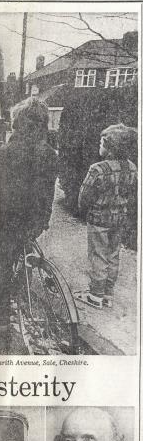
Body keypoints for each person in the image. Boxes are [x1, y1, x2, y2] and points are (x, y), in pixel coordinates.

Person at [0, 97, 59, 350]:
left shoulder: (4, 153)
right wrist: (41, 221)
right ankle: (23, 290)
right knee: (24, 256)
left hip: (8, 223)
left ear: (17, 123)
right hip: (34, 222)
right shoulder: (49, 154)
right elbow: (48, 192)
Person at [75, 124, 137, 309]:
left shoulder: (97, 169)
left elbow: (84, 195)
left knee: (98, 254)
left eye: (101, 143)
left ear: (110, 147)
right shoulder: (132, 167)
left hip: (98, 219)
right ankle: (108, 293)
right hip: (119, 219)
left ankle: (96, 294)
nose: (99, 146)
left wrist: (82, 209)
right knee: (113, 254)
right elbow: (133, 195)